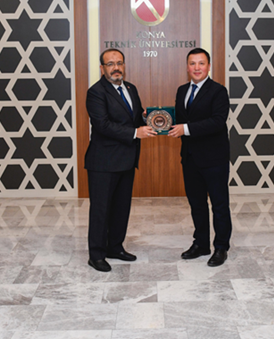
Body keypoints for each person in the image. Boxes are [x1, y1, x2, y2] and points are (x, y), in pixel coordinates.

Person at [85, 48, 156, 272]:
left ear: (124, 65)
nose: (116, 68)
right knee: (101, 210)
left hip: (126, 159)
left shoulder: (131, 88)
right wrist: (136, 133)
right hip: (103, 162)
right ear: (102, 68)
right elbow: (102, 125)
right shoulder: (96, 92)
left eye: (119, 63)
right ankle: (96, 255)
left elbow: (134, 118)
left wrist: (147, 118)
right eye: (110, 64)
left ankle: (115, 247)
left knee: (121, 208)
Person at [168, 47, 232, 267]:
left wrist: (185, 129)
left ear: (208, 66)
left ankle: (221, 247)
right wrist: (157, 118)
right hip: (190, 158)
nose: (197, 68)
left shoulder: (218, 91)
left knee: (219, 204)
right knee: (196, 204)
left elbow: (217, 122)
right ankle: (201, 244)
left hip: (214, 159)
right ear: (187, 67)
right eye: (192, 63)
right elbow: (178, 118)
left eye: (201, 63)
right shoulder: (181, 91)